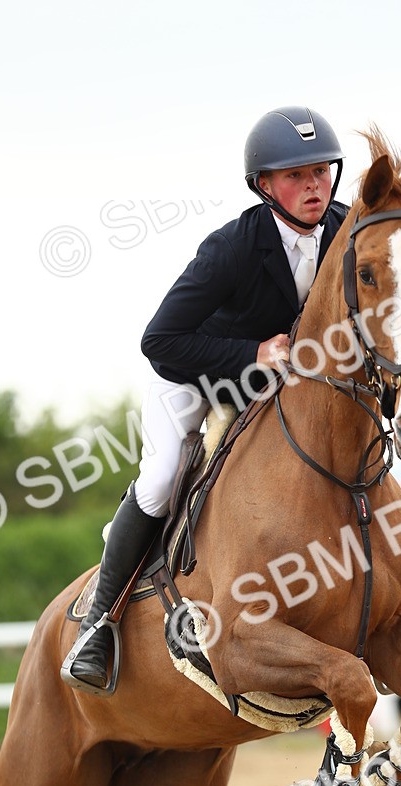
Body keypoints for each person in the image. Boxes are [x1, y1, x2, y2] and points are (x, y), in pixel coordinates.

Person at [61, 106, 347, 693]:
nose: (313, 185)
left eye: (321, 171)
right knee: (162, 478)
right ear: (264, 185)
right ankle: (99, 624)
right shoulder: (231, 249)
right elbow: (159, 340)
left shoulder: (346, 233)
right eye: (296, 175)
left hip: (282, 388)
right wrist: (252, 356)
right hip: (196, 377)